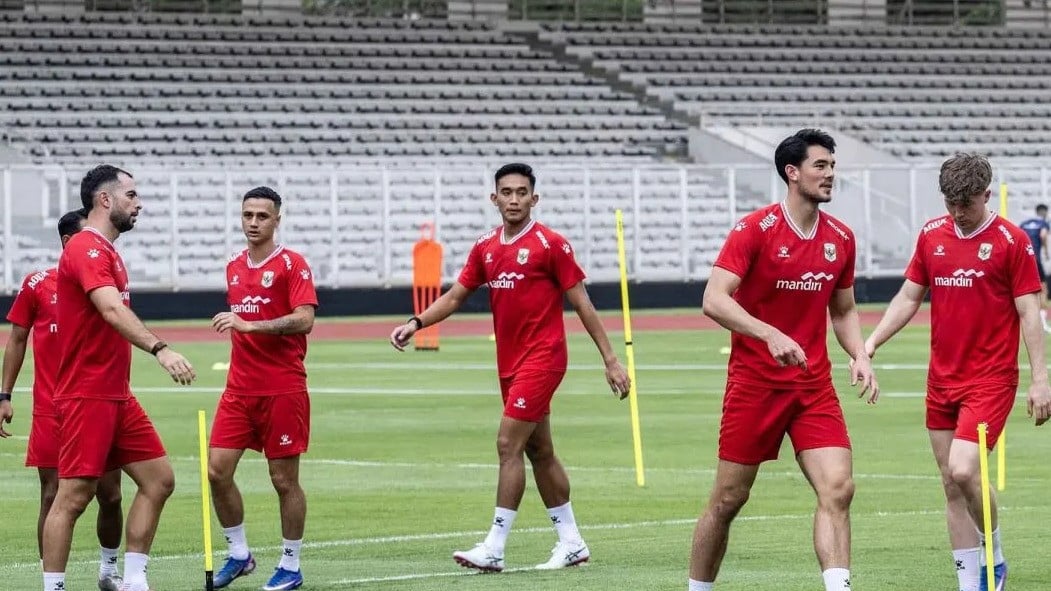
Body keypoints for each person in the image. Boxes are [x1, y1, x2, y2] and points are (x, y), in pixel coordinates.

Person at [389, 162, 631, 572]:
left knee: (507, 444)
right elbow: (454, 297)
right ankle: (572, 542)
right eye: (507, 192)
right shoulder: (485, 247)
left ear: (534, 199)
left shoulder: (551, 244)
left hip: (545, 358)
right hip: (510, 363)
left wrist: (610, 360)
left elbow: (582, 304)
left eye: (522, 192)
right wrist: (416, 323)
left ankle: (495, 546)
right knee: (540, 450)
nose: (514, 199)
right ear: (494, 198)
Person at [688, 129, 878, 591]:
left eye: (832, 165)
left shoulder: (841, 238)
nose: (831, 174)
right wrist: (768, 333)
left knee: (838, 487)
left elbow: (844, 308)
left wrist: (860, 353)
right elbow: (714, 299)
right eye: (821, 166)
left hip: (813, 387)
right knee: (729, 499)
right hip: (755, 385)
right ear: (792, 173)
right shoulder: (754, 230)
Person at [864, 153, 1051, 591]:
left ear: (987, 195)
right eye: (950, 202)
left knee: (964, 470)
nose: (957, 211)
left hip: (990, 380)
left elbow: (1029, 311)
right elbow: (910, 297)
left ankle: (995, 555)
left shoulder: (1011, 241)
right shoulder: (932, 235)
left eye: (965, 202)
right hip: (941, 380)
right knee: (950, 484)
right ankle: (972, 584)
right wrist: (871, 344)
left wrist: (1040, 379)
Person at [41, 165, 197, 591]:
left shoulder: (108, 251)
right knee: (72, 497)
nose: (138, 202)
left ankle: (132, 580)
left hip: (115, 394)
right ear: (104, 200)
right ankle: (52, 588)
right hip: (87, 394)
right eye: (131, 194)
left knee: (159, 480)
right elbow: (110, 310)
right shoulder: (86, 249)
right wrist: (160, 349)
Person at [1, 209, 125, 591]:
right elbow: (18, 339)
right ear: (71, 242)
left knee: (111, 494)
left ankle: (108, 570)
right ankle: (51, 581)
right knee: (53, 494)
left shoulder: (105, 282)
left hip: (98, 403)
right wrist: (3, 394)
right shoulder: (38, 284)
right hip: (51, 409)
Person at [207, 186, 318, 591]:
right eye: (248, 215)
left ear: (277, 220)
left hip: (282, 389)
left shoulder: (292, 264)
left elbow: (305, 319)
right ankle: (239, 555)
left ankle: (291, 564)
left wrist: (251, 324)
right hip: (238, 390)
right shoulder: (234, 266)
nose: (253, 223)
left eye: (262, 216)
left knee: (283, 479)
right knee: (217, 472)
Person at [1017, 204, 1051, 332]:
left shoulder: (1024, 223)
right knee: (1043, 289)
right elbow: (1043, 235)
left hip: (1022, 259)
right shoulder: (1043, 223)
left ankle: (1027, 324)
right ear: (1044, 212)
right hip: (1034, 258)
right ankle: (1043, 323)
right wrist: (1046, 251)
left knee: (1025, 292)